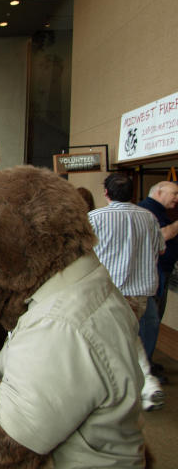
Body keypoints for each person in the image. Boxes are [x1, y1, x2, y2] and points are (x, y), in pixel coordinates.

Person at [88, 173, 165, 410]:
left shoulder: (94, 218)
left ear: (106, 193)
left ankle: (135, 388)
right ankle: (145, 386)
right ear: (133, 193)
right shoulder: (149, 217)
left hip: (107, 289)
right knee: (128, 335)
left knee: (114, 338)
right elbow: (159, 250)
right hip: (140, 292)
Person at [138, 180, 178, 381]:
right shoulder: (148, 211)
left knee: (152, 321)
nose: (176, 198)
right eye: (174, 193)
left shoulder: (158, 211)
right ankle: (145, 367)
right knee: (149, 322)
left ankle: (147, 362)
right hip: (153, 274)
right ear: (160, 192)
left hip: (160, 273)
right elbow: (163, 237)